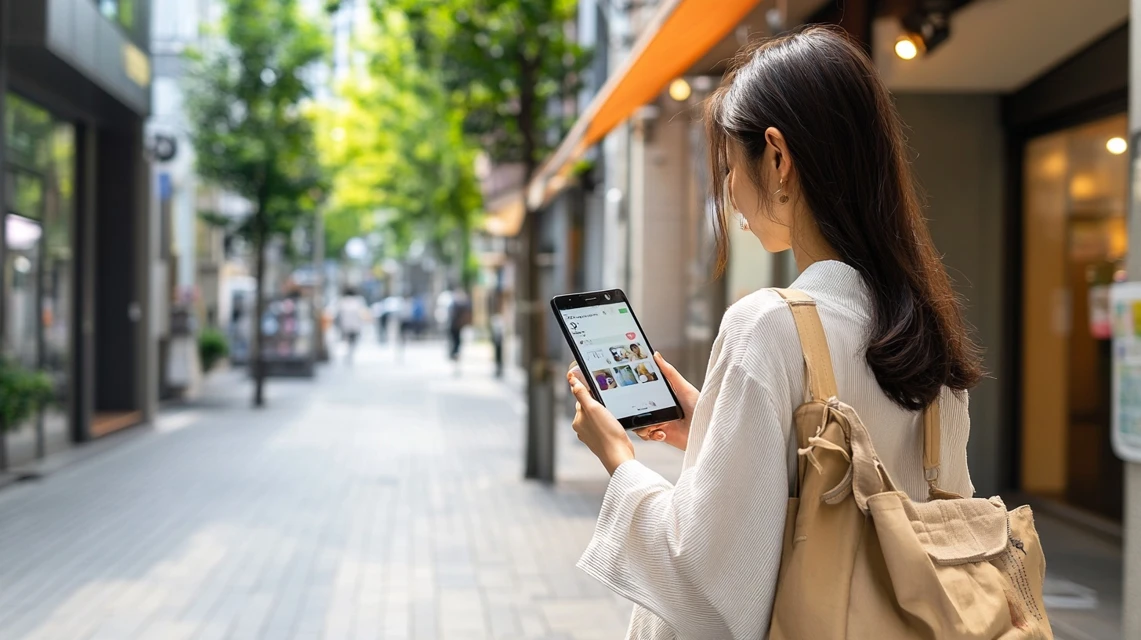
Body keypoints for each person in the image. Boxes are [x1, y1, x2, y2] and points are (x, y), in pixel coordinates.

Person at [566, 27, 981, 639]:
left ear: (778, 158)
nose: (730, 191)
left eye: (730, 165)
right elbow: (857, 496)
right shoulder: (924, 330)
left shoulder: (768, 325)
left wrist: (620, 462)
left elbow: (708, 586)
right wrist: (712, 426)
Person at [335, 287, 369, 365]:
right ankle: (349, 354)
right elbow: (362, 314)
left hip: (345, 326)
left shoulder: (341, 302)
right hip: (355, 326)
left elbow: (338, 315)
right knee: (353, 342)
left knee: (346, 341)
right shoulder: (358, 302)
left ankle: (347, 354)